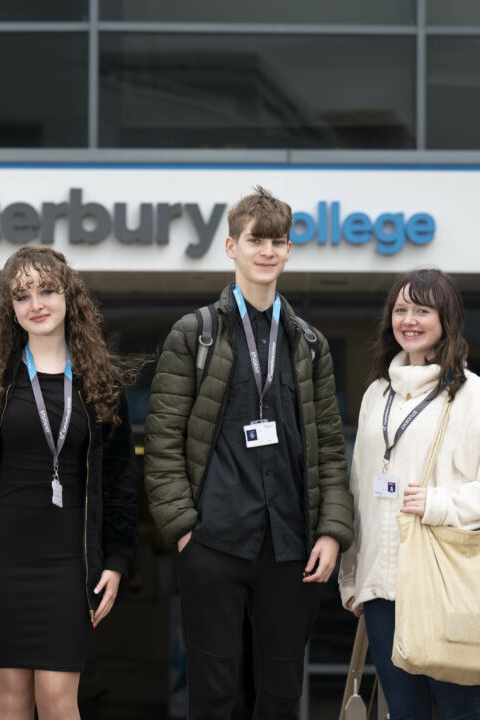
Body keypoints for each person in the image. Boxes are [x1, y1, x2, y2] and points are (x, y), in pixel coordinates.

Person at [144, 186, 354, 719]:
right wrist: (184, 528)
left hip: (291, 544)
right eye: (254, 240)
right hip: (213, 539)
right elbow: (163, 441)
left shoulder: (309, 343)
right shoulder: (194, 334)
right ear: (231, 247)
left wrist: (331, 532)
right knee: (213, 694)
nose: (266, 251)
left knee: (282, 695)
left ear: (288, 251)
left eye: (277, 242)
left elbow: (330, 444)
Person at [0, 246, 138, 720]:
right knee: (9, 698)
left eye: (47, 290)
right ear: (11, 310)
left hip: (71, 559)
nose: (36, 303)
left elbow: (119, 482)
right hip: (0, 556)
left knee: (56, 699)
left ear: (69, 295)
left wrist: (116, 558)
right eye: (22, 295)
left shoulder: (100, 385)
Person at [339, 268, 480, 719]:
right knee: (403, 712)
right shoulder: (377, 394)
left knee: (459, 710)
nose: (409, 320)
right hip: (382, 591)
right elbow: (359, 492)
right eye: (401, 309)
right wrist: (353, 577)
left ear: (447, 320)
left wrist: (438, 504)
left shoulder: (477, 397)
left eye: (423, 310)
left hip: (444, 586)